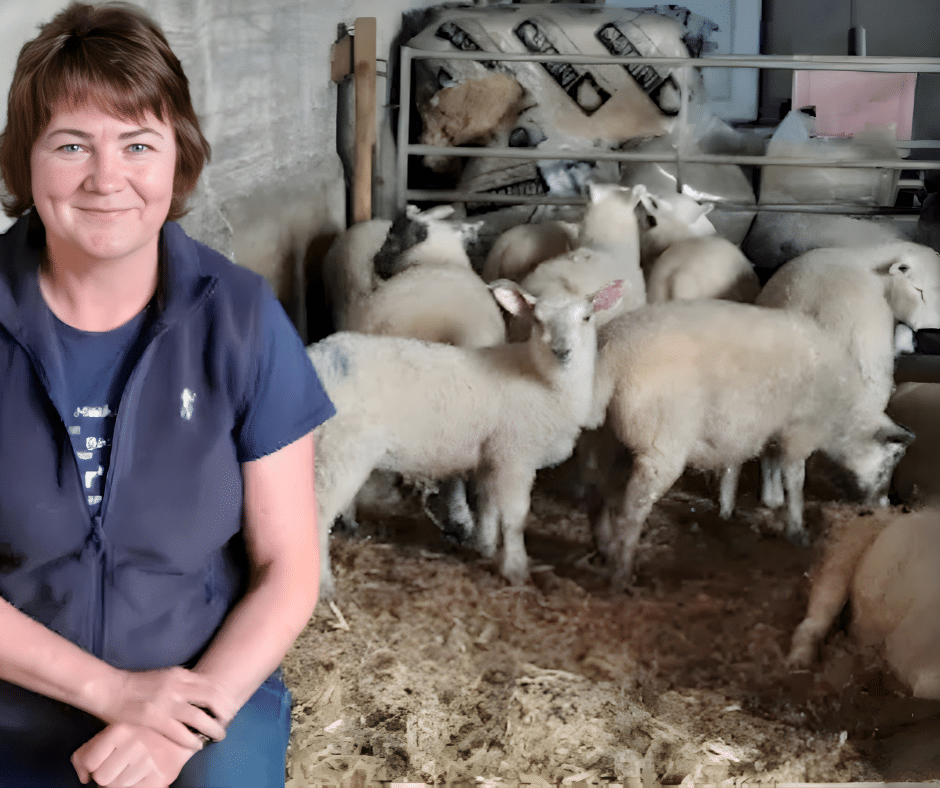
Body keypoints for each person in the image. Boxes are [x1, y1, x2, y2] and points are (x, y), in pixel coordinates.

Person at [0, 2, 335, 786]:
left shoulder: (244, 321)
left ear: (177, 161)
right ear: (23, 164)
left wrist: (179, 722)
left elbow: (289, 565)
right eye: (71, 144)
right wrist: (116, 694)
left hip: (200, 693)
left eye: (138, 144)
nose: (106, 178)